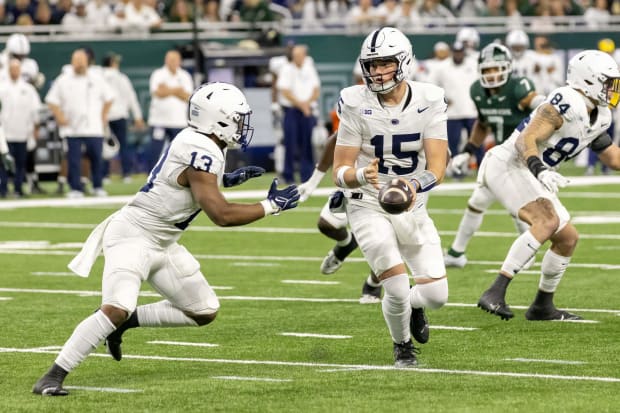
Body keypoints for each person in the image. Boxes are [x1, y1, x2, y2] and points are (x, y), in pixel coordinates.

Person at [32, 82, 301, 396]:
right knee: (115, 307)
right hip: (133, 236)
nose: (242, 126)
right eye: (238, 118)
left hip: (162, 241)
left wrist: (224, 179)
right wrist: (270, 206)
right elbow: (221, 214)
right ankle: (52, 376)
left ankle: (127, 322)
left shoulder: (203, 141)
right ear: (218, 119)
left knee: (203, 310)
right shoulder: (200, 148)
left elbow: (183, 182)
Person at [332, 27, 449, 367]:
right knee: (396, 286)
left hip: (413, 204)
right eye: (372, 64)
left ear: (403, 62)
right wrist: (355, 175)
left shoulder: (429, 99)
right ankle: (402, 346)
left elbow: (438, 166)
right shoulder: (355, 101)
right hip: (367, 202)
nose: (377, 72)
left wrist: (413, 186)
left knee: (437, 296)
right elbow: (339, 167)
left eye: (385, 63)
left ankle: (415, 306)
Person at [476, 50, 620, 321]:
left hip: (531, 171)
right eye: (607, 82)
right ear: (588, 80)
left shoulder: (600, 115)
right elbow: (525, 140)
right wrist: (539, 169)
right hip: (509, 163)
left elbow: (612, 157)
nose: (612, 89)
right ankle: (495, 291)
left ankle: (542, 306)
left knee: (567, 239)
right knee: (547, 220)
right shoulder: (567, 100)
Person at [444, 43, 544, 268]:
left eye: (496, 68)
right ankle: (456, 253)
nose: (491, 74)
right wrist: (467, 151)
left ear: (508, 68)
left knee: (517, 206)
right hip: (501, 155)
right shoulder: (477, 90)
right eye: (487, 70)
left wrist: (542, 102)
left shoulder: (518, 87)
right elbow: (483, 123)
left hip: (525, 154)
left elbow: (533, 100)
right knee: (478, 201)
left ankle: (526, 253)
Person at [298, 133, 383, 304]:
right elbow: (335, 139)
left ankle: (373, 285)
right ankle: (346, 243)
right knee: (326, 224)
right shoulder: (363, 110)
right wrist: (313, 182)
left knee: (383, 243)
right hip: (359, 182)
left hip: (393, 187)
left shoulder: (417, 115)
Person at [45, 48, 114, 198]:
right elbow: (51, 100)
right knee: (74, 160)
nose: (79, 64)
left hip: (94, 127)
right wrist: (60, 116)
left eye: (82, 60)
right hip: (72, 128)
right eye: (76, 60)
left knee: (96, 158)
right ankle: (75, 188)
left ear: (87, 61)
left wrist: (103, 115)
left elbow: (109, 98)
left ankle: (97, 186)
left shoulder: (97, 79)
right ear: (72, 61)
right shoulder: (63, 80)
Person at [276, 44, 321, 184]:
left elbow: (316, 89)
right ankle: (288, 175)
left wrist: (307, 104)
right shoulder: (286, 69)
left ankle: (307, 175)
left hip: (307, 110)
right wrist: (302, 105)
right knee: (290, 143)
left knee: (307, 143)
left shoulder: (309, 68)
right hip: (292, 111)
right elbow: (285, 91)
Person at [0, 58, 42, 198]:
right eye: (12, 68)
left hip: (22, 133)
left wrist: (35, 128)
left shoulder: (28, 89)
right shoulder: (2, 88)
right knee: (4, 164)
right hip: (5, 133)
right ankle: (3, 189)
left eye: (17, 68)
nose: (14, 71)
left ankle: (18, 188)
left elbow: (35, 110)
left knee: (20, 164)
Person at [146, 49, 193, 171]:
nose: (172, 62)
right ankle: (153, 175)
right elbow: (158, 93)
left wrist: (168, 89)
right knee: (155, 150)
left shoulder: (185, 76)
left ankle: (177, 175)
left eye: (175, 60)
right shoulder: (158, 74)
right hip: (159, 120)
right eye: (170, 59)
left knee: (180, 152)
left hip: (179, 121)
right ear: (166, 60)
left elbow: (188, 96)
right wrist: (178, 90)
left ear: (179, 61)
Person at [101, 52, 145, 182]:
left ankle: (104, 175)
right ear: (112, 63)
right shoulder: (122, 78)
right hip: (119, 116)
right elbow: (131, 97)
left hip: (104, 116)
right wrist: (137, 116)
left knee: (105, 146)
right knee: (123, 146)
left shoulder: (98, 77)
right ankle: (126, 174)